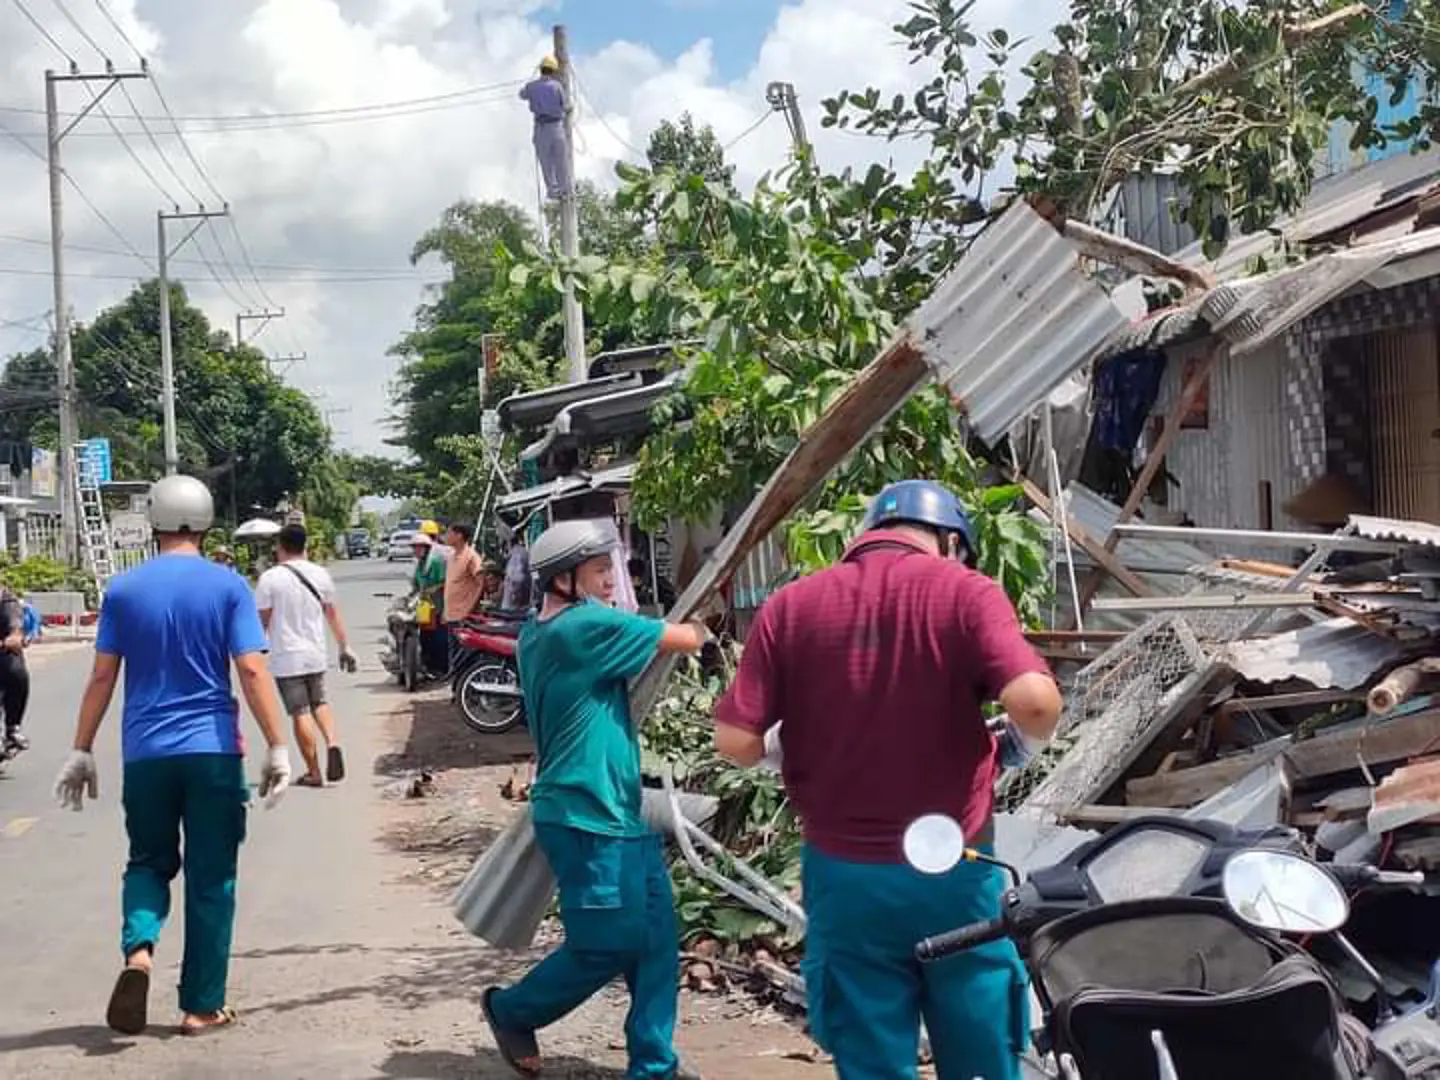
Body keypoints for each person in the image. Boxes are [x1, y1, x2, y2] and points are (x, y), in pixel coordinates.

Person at [712, 479, 1063, 1080]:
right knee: (980, 1040)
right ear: (951, 542)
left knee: (871, 1055)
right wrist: (1018, 746)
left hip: (844, 880)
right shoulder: (967, 593)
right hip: (957, 872)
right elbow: (1034, 701)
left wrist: (786, 746)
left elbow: (736, 742)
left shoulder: (790, 607)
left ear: (866, 535)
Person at [52, 474, 293, 1038]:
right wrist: (278, 745)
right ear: (205, 522)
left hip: (145, 755)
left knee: (147, 862)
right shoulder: (228, 585)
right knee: (212, 878)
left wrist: (81, 749)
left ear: (156, 521)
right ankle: (201, 1006)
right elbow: (252, 669)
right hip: (211, 752)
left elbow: (102, 676)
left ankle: (139, 951)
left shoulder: (124, 590)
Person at [481, 519, 707, 1079]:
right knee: (606, 943)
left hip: (617, 810)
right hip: (587, 814)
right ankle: (511, 1010)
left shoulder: (541, 629)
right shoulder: (578, 628)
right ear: (563, 578)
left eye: (613, 567)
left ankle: (654, 1065)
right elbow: (686, 638)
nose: (613, 579)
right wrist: (714, 602)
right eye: (601, 568)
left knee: (656, 942)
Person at [254, 523, 358, 789]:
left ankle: (313, 772)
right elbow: (332, 614)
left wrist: (255, 653)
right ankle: (332, 741)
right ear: (306, 546)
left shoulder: (270, 578)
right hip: (316, 653)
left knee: (300, 712)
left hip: (287, 657)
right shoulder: (321, 574)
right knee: (320, 702)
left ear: (280, 547)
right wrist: (345, 646)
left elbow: (261, 622)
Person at [519, 55, 570, 200]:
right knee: (561, 160)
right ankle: (565, 189)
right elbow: (564, 105)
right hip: (556, 127)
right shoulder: (557, 86)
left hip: (540, 128)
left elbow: (521, 95)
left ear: (541, 69)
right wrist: (568, 109)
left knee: (546, 161)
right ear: (553, 71)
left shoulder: (532, 86)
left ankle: (552, 190)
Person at [0, 585, 30, 754]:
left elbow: (15, 621)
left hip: (2, 652)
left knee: (16, 672)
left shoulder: (5, 599)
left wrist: (15, 635)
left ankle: (12, 727)